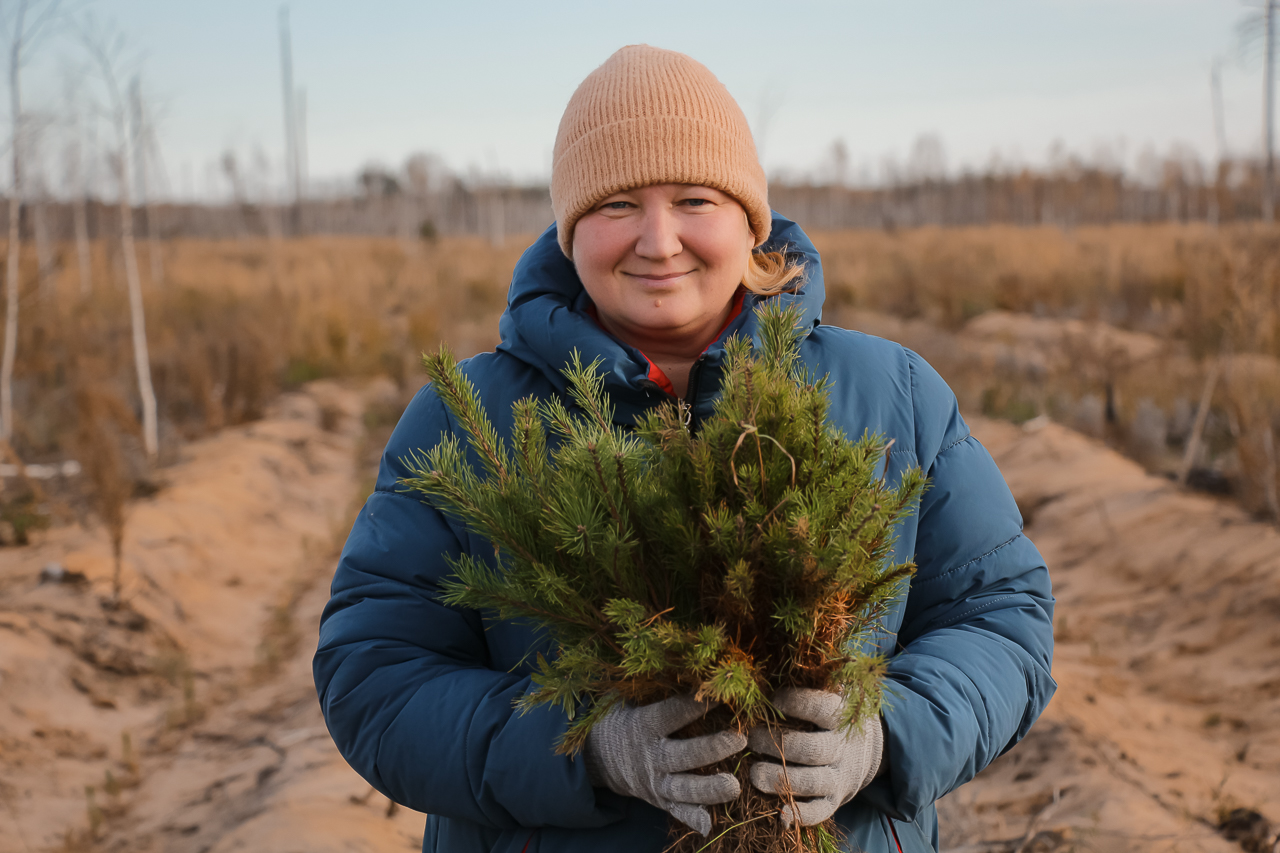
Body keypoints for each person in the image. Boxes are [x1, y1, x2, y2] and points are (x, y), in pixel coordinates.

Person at [313, 45, 1055, 853]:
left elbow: (1000, 618)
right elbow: (374, 675)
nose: (659, 242)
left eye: (695, 198)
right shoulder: (469, 424)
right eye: (617, 205)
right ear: (570, 233)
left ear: (749, 219)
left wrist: (885, 735)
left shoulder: (892, 396)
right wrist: (586, 748)